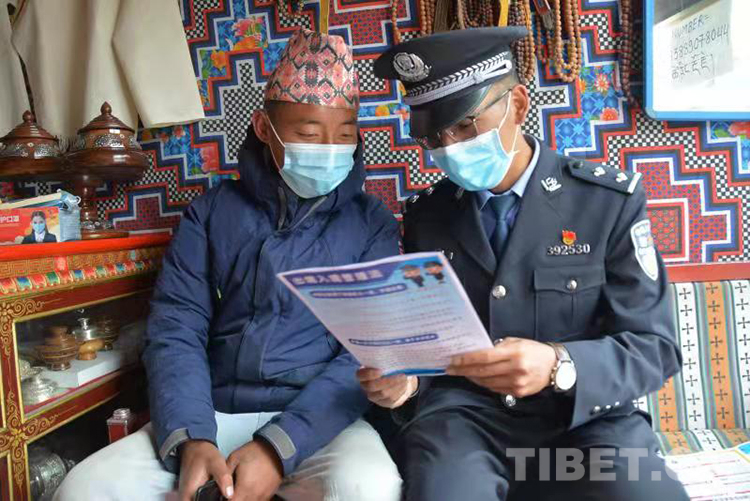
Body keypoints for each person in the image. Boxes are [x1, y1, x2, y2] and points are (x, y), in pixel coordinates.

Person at [54, 29, 402, 501]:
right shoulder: (211, 213)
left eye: (344, 136)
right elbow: (177, 327)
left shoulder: (372, 223)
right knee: (86, 489)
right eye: (307, 134)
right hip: (210, 410)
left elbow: (366, 351)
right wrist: (191, 437)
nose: (329, 149)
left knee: (369, 488)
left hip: (318, 422)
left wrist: (280, 447)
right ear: (263, 127)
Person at [357, 27, 688, 501]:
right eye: (433, 135)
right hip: (467, 424)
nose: (449, 147)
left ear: (516, 104)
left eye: (465, 125)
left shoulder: (607, 203)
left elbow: (655, 348)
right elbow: (427, 345)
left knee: (643, 494)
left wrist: (559, 364)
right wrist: (405, 382)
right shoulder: (427, 216)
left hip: (585, 421)